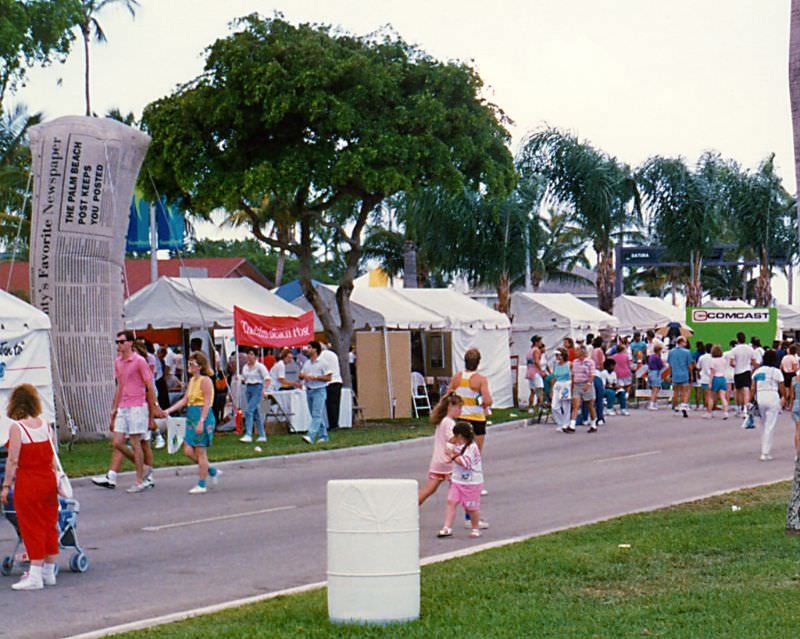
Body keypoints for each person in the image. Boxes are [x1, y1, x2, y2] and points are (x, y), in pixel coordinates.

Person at [1, 385, 59, 590]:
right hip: (48, 480)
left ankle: (35, 573)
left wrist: (6, 485)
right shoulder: (45, 425)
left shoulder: (18, 428)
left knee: (31, 526)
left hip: (29, 481)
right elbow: (52, 457)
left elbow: (13, 459)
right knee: (49, 523)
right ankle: (48, 570)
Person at [92, 330, 159, 493]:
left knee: (137, 442)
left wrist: (151, 413)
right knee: (117, 442)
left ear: (130, 343)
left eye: (122, 342)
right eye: (118, 342)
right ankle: (143, 467)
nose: (119, 346)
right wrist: (113, 410)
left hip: (137, 405)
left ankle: (139, 479)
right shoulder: (118, 362)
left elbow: (150, 387)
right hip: (124, 405)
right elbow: (120, 387)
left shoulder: (139, 361)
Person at [163, 351, 221, 493]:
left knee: (201, 451)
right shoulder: (192, 381)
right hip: (191, 416)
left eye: (192, 364)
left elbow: (207, 403)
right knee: (188, 450)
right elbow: (185, 400)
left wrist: (202, 421)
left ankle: (202, 484)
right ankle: (210, 469)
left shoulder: (205, 381)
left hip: (202, 415)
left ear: (199, 366)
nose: (189, 366)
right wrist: (169, 410)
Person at [436, 422, 488, 539]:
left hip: (471, 482)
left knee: (471, 507)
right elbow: (449, 454)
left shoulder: (472, 448)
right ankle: (447, 527)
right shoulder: (457, 445)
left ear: (460, 436)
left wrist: (453, 455)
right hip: (457, 481)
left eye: (455, 436)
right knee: (451, 501)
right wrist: (450, 447)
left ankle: (475, 528)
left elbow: (466, 464)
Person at [418, 394, 463, 505]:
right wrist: (463, 438)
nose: (460, 411)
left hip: (438, 462)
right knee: (463, 489)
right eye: (459, 407)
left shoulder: (442, 421)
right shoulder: (449, 422)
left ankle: (410, 509)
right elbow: (451, 438)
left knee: (429, 489)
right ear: (450, 407)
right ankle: (471, 517)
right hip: (449, 464)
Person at [751, 349, 785, 462]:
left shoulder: (758, 371)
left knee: (762, 424)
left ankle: (763, 448)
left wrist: (751, 400)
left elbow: (752, 387)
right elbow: (781, 386)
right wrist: (784, 397)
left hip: (760, 396)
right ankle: (765, 452)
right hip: (772, 396)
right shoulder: (776, 372)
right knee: (770, 425)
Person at [300, 341, 332, 444]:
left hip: (319, 390)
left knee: (316, 414)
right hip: (309, 390)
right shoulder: (307, 363)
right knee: (315, 415)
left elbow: (329, 377)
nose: (307, 350)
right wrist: (304, 377)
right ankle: (323, 436)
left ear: (315, 349)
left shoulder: (323, 363)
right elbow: (301, 374)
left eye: (309, 348)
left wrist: (316, 377)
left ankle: (311, 435)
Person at [239, 348, 269, 444]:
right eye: (248, 354)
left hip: (257, 388)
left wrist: (264, 390)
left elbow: (267, 379)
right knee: (255, 413)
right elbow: (244, 379)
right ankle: (262, 434)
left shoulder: (260, 366)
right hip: (248, 388)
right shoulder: (245, 367)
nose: (249, 356)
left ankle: (248, 434)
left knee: (249, 411)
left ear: (255, 356)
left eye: (252, 354)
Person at [567, 344, 596, 432]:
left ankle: (593, 424)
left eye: (577, 351)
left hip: (586, 384)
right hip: (577, 384)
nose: (575, 352)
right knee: (576, 405)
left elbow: (592, 374)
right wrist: (572, 386)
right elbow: (573, 375)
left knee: (590, 405)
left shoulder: (590, 362)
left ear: (582, 352)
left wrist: (588, 383)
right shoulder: (574, 362)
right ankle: (572, 425)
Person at [729, 332, 757, 416]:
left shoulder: (734, 350)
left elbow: (731, 363)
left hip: (737, 371)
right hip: (747, 370)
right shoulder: (750, 349)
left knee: (738, 390)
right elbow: (754, 362)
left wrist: (736, 364)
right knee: (746, 390)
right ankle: (745, 409)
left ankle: (738, 409)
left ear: (737, 339)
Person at [319, 344, 343, 431]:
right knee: (336, 404)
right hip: (338, 380)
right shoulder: (332, 354)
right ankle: (335, 423)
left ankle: (333, 425)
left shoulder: (322, 356)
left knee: (330, 405)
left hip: (330, 382)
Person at [667, 337, 693, 418]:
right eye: (685, 342)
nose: (686, 343)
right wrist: (691, 375)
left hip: (675, 374)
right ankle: (684, 405)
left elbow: (670, 365)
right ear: (681, 342)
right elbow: (689, 365)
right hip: (684, 374)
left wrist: (670, 374)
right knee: (685, 391)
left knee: (675, 391)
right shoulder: (687, 352)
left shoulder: (671, 352)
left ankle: (676, 407)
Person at [550, 348, 572, 430]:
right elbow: (554, 377)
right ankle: (560, 422)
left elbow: (572, 376)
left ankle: (566, 423)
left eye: (558, 355)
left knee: (566, 406)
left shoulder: (569, 364)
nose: (556, 357)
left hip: (566, 384)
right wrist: (552, 389)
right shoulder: (555, 364)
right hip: (557, 385)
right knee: (554, 406)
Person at [709, 345, 730, 419]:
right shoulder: (724, 360)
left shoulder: (712, 360)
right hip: (722, 378)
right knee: (722, 397)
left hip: (715, 378)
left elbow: (712, 372)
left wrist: (710, 382)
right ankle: (725, 412)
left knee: (712, 397)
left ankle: (710, 412)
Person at [524, 335, 545, 412]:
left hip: (529, 371)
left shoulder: (530, 351)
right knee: (540, 390)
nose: (541, 343)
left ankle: (530, 407)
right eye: (540, 342)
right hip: (535, 372)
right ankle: (540, 407)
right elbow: (536, 361)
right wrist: (541, 371)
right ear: (536, 342)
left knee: (532, 391)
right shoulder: (536, 350)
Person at [646, 344, 665, 411]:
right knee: (655, 389)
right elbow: (661, 366)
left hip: (650, 373)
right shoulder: (657, 357)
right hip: (655, 373)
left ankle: (654, 402)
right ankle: (651, 404)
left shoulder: (651, 356)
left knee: (654, 389)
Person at [697, 343, 714, 418]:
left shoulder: (702, 357)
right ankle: (711, 409)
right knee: (712, 396)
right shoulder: (714, 358)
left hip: (704, 378)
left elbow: (698, 367)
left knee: (707, 396)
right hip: (713, 377)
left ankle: (708, 410)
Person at [790, 372, 800, 459]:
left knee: (797, 430)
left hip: (796, 405)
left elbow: (792, 396)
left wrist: (790, 406)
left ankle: (797, 453)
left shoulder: (794, 379)